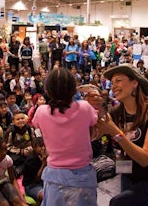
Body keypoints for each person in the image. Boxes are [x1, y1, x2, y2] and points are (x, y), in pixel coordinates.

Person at [96, 63, 148, 206]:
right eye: (112, 82)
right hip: (127, 174)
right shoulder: (116, 113)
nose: (113, 85)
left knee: (118, 203)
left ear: (134, 83)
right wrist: (92, 106)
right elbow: (94, 133)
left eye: (119, 80)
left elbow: (146, 158)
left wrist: (116, 133)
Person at [33, 67, 98, 206]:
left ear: (48, 90)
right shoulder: (85, 107)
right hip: (83, 176)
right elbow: (95, 122)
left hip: (55, 176)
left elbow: (36, 124)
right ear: (74, 89)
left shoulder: (41, 111)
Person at [0, 137, 26, 206]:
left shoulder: (7, 159)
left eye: (5, 150)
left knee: (17, 200)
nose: (4, 153)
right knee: (4, 204)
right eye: (1, 150)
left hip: (4, 182)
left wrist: (20, 197)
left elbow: (13, 178)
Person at [22, 137, 47, 203]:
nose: (43, 148)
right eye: (41, 146)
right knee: (45, 196)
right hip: (32, 185)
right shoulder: (31, 160)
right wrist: (44, 163)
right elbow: (37, 179)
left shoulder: (46, 156)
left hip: (44, 182)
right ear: (34, 148)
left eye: (44, 146)